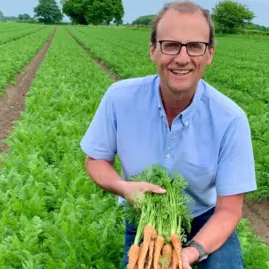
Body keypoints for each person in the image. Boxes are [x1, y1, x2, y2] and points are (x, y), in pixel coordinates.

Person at [79, 1, 257, 268]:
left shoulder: (230, 119)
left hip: (204, 219)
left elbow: (229, 211)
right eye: (170, 44)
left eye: (195, 46)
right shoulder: (119, 99)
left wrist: (187, 253)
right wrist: (124, 188)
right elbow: (95, 160)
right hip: (145, 217)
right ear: (153, 50)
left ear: (209, 54)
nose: (182, 58)